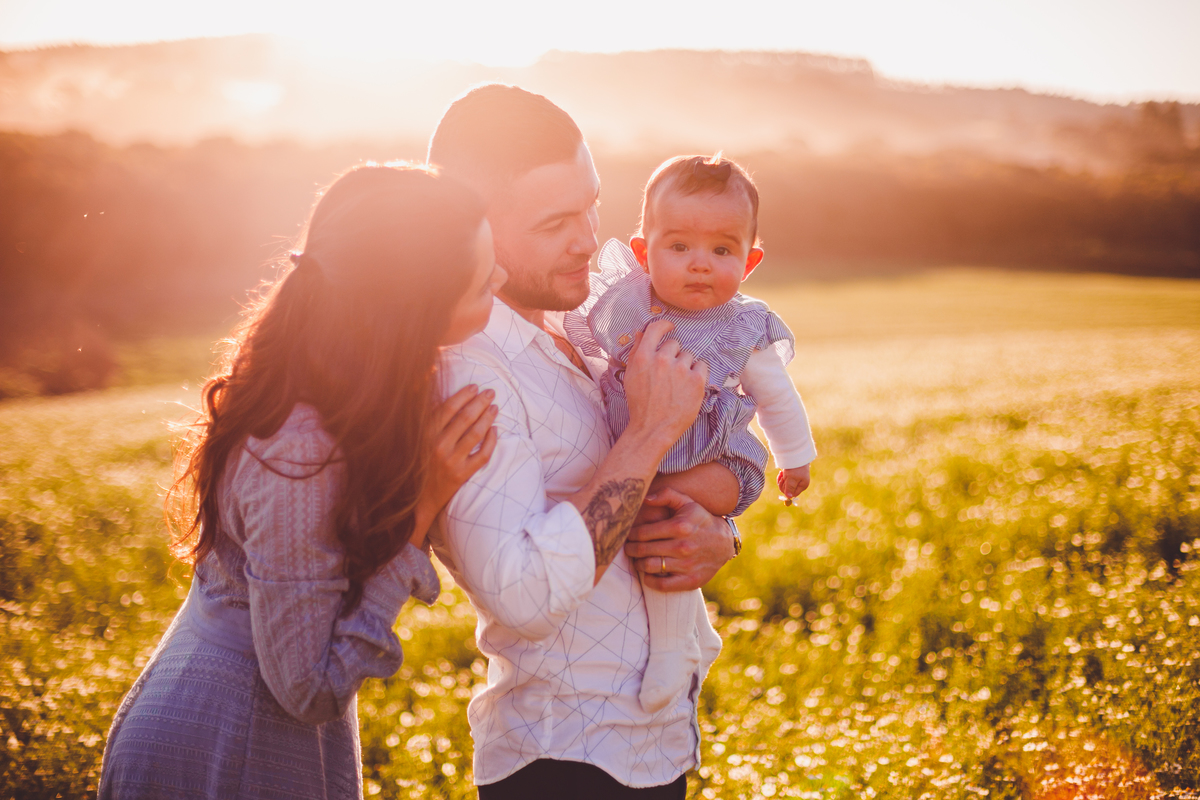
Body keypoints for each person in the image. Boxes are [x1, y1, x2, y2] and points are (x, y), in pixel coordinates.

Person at [98, 164, 508, 800]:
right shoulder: (300, 454)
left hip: (252, 733)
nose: (501, 280)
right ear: (412, 316)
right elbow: (307, 689)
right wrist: (423, 507)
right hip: (222, 746)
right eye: (483, 283)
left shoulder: (351, 386)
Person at [425, 84, 744, 799]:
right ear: (473, 227)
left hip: (655, 744)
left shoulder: (592, 319)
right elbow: (525, 594)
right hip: (559, 763)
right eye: (555, 222)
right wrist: (651, 430)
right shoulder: (472, 373)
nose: (588, 237)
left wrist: (717, 534)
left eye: (592, 203)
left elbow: (660, 480)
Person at [563, 154, 817, 713]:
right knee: (647, 502)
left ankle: (674, 650)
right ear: (642, 253)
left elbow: (776, 396)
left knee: (658, 511)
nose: (700, 264)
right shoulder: (625, 307)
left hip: (721, 462)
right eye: (679, 247)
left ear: (748, 262)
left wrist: (794, 459)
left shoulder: (742, 326)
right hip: (651, 454)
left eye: (722, 250)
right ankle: (696, 634)